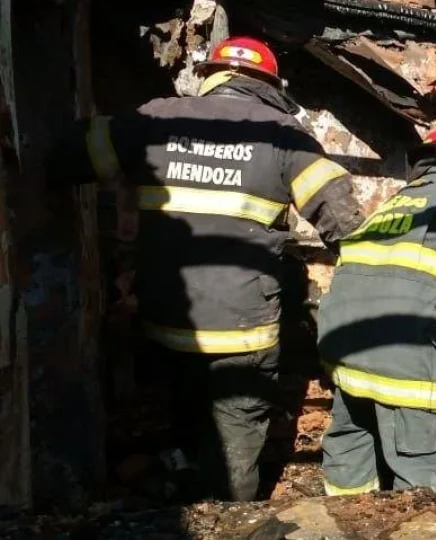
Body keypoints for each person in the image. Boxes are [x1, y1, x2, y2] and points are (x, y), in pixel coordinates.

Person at [48, 36, 366, 502]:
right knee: (234, 446)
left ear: (211, 76)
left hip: (167, 321)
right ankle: (228, 516)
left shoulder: (156, 117)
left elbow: (66, 156)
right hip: (242, 333)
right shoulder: (285, 136)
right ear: (270, 85)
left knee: (189, 415)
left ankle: (185, 492)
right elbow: (345, 223)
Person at [316, 126, 436, 504]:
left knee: (350, 451)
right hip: (406, 361)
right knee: (425, 470)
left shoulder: (388, 207)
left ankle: (343, 522)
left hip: (347, 354)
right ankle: (421, 523)